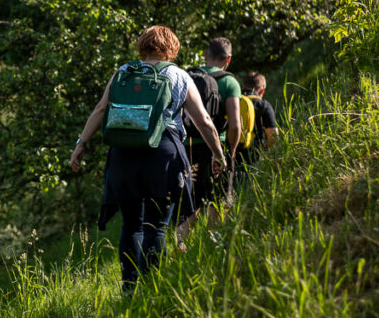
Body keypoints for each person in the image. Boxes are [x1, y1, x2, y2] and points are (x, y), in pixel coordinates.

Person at [69, 26, 224, 293]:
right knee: (157, 226)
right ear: (172, 48)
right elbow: (204, 121)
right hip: (162, 155)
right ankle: (153, 289)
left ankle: (129, 289)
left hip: (123, 155)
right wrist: (218, 154)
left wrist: (81, 144)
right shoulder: (179, 75)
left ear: (142, 47)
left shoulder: (124, 72)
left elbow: (100, 109)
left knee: (131, 225)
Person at [185, 37, 241, 223]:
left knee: (188, 207)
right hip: (216, 148)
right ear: (229, 59)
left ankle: (180, 248)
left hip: (187, 147)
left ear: (205, 55)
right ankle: (213, 246)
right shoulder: (229, 82)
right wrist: (230, 153)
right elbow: (234, 124)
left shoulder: (188, 77)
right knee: (216, 202)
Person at [238, 71, 278, 168]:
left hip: (230, 154)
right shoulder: (263, 105)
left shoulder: (233, 100)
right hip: (253, 157)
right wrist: (265, 150)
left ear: (243, 86)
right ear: (262, 91)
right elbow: (273, 135)